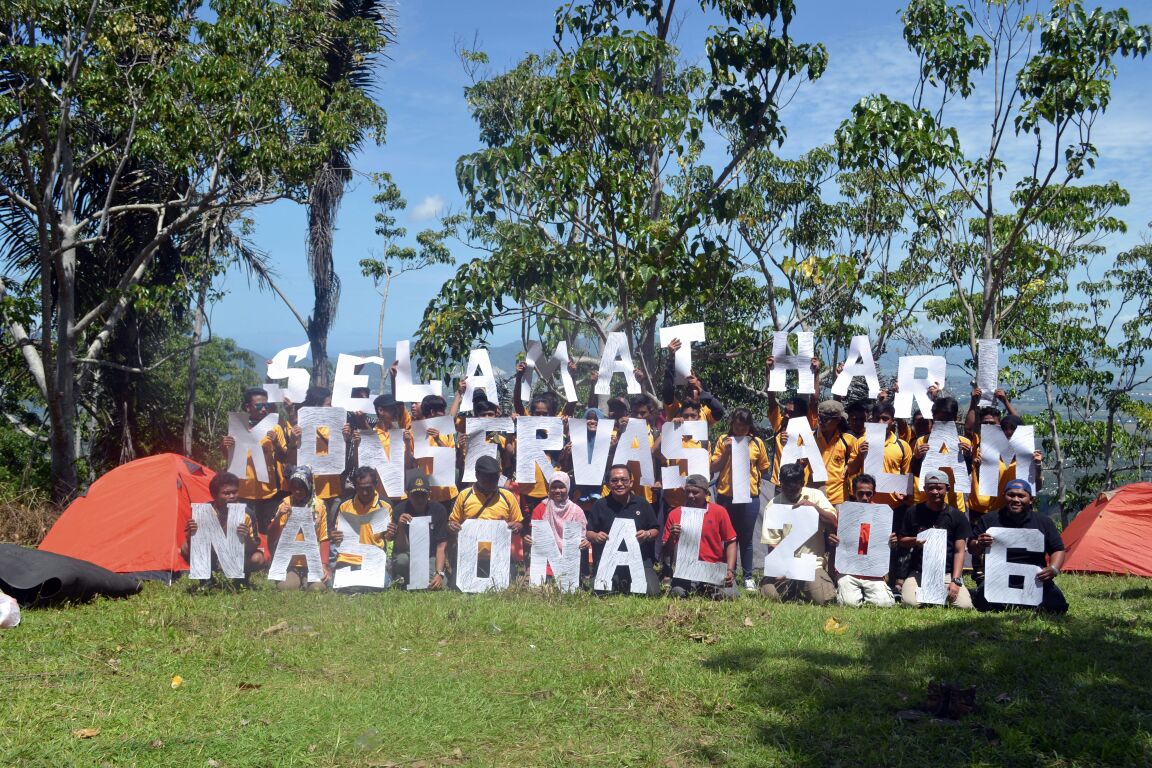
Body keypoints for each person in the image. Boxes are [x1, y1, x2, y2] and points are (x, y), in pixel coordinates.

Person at [968, 479, 1068, 614]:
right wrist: (979, 543)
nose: (1015, 499)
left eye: (1021, 496)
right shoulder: (989, 519)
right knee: (982, 604)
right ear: (1004, 496)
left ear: (1031, 499)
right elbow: (971, 547)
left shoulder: (1044, 522)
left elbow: (1058, 549)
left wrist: (1053, 569)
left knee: (1057, 606)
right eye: (1011, 495)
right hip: (998, 579)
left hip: (1035, 579)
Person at [759, 462, 838, 604]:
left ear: (802, 483)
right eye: (785, 488)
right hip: (785, 566)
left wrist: (815, 509)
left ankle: (805, 590)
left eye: (794, 489)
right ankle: (793, 590)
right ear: (780, 483)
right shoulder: (773, 505)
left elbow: (834, 522)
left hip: (812, 565)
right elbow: (772, 545)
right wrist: (782, 568)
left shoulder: (816, 495)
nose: (789, 492)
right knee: (770, 595)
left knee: (822, 600)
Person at [709, 408, 770, 591]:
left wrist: (752, 474)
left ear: (749, 426)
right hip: (726, 496)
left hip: (749, 497)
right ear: (732, 424)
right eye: (737, 425)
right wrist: (727, 452)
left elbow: (764, 468)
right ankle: (729, 573)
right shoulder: (722, 440)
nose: (740, 429)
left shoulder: (757, 443)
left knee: (746, 538)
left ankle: (748, 576)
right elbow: (713, 467)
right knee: (727, 536)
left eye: (744, 426)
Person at [895, 470, 974, 608]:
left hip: (946, 573)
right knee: (910, 603)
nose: (935, 492)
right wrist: (914, 540)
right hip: (919, 572)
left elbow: (959, 551)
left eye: (939, 488)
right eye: (931, 488)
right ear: (925, 489)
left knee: (964, 606)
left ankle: (940, 593)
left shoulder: (957, 516)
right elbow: (901, 540)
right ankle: (929, 594)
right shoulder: (913, 512)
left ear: (947, 489)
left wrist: (955, 580)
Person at [221, 386, 289, 533]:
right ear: (247, 407)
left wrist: (276, 443)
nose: (264, 409)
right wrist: (224, 447)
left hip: (268, 493)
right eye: (259, 406)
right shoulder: (238, 428)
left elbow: (285, 457)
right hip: (243, 492)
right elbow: (229, 459)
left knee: (268, 532)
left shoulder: (275, 428)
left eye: (266, 405)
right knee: (243, 532)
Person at [586, 464, 661, 596]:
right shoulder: (600, 505)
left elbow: (655, 529)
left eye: (624, 480)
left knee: (651, 593)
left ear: (631, 483)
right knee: (599, 592)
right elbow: (588, 532)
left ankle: (626, 583)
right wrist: (596, 536)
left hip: (639, 560)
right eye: (614, 480)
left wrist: (647, 534)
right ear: (608, 485)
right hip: (608, 561)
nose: (619, 484)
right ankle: (620, 583)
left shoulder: (642, 503)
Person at [448, 455, 523, 581]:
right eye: (486, 478)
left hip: (499, 551)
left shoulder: (508, 496)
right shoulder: (464, 495)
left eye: (494, 478)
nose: (491, 481)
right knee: (457, 584)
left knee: (508, 580)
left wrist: (517, 526)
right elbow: (453, 521)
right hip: (470, 551)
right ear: (477, 476)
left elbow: (519, 523)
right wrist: (451, 525)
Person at [180, 471, 264, 583]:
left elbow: (252, 549)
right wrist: (191, 535)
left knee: (257, 558)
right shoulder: (204, 511)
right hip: (213, 554)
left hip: (238, 555)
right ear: (214, 495)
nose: (232, 496)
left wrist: (247, 536)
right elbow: (195, 546)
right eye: (226, 493)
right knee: (185, 548)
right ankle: (206, 581)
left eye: (234, 492)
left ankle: (241, 582)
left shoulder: (247, 513)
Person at [662, 475, 738, 599]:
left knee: (730, 595)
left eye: (695, 492)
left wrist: (730, 570)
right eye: (688, 492)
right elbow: (665, 551)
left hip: (713, 569)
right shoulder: (675, 514)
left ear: (706, 494)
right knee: (677, 593)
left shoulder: (719, 512)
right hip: (686, 571)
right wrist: (672, 536)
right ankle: (697, 589)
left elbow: (731, 541)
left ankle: (707, 589)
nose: (691, 496)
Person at [831, 474, 896, 608]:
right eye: (861, 494)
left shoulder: (882, 513)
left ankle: (868, 594)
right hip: (849, 570)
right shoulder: (843, 511)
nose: (865, 498)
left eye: (868, 494)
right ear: (853, 493)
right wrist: (833, 540)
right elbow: (837, 542)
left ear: (874, 493)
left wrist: (892, 542)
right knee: (849, 603)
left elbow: (883, 544)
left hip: (873, 571)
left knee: (885, 604)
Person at [267, 466, 329, 590]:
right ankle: (294, 577)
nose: (297, 492)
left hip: (312, 562)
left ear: (309, 485)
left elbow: (324, 538)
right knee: (286, 587)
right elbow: (271, 535)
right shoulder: (285, 503)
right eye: (294, 489)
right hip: (289, 563)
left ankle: (306, 579)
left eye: (301, 488)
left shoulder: (319, 505)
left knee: (318, 588)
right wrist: (279, 516)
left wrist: (324, 565)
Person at [330, 466, 394, 587]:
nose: (364, 493)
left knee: (382, 585)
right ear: (355, 486)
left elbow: (388, 538)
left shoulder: (385, 505)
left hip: (374, 560)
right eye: (361, 489)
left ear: (376, 484)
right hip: (349, 559)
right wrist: (334, 536)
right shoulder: (345, 505)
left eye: (368, 489)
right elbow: (336, 534)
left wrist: (390, 534)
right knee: (337, 585)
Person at [525, 471, 589, 581]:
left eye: (561, 487)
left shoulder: (577, 511)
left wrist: (584, 542)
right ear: (549, 489)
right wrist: (530, 539)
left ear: (568, 488)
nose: (557, 491)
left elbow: (581, 537)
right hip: (545, 564)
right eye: (554, 487)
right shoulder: (541, 508)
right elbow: (535, 536)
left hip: (570, 563)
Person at [389, 473, 449, 589]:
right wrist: (400, 526)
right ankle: (405, 577)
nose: (420, 499)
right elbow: (401, 548)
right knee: (402, 560)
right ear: (407, 494)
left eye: (423, 495)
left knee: (438, 585)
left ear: (429, 495)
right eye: (415, 495)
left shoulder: (439, 510)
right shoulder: (399, 510)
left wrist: (439, 574)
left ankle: (416, 579)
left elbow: (441, 546)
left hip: (430, 556)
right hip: (408, 555)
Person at [661, 337, 726, 425]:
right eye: (688, 389)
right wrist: (671, 359)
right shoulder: (676, 409)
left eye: (694, 388)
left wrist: (701, 390)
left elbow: (719, 411)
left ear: (701, 395)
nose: (689, 391)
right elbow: (667, 392)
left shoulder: (705, 413)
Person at [813, 399, 864, 505]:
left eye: (826, 419)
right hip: (814, 496)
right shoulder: (809, 438)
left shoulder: (848, 440)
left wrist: (849, 465)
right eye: (820, 417)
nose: (821, 421)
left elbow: (856, 464)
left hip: (839, 498)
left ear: (838, 420)